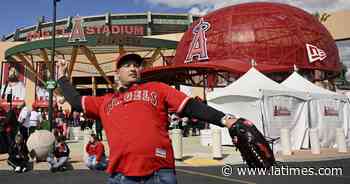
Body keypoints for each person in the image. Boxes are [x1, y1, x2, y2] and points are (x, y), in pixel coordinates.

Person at [57, 54, 238, 184]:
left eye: (136, 65)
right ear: (117, 73)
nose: (133, 68)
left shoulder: (156, 88)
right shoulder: (105, 101)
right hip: (121, 176)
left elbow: (190, 105)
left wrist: (226, 119)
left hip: (159, 172)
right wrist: (62, 77)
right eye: (127, 66)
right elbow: (75, 100)